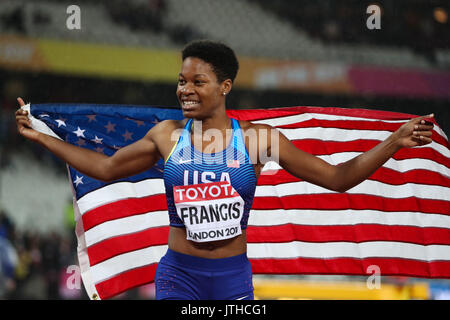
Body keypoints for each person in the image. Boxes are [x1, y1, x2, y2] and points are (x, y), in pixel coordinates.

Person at [15, 40, 434, 300]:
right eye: (181, 81)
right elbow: (106, 168)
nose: (185, 89)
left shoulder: (257, 139)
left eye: (197, 81)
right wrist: (44, 139)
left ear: (224, 87)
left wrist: (393, 142)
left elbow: (338, 179)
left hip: (233, 278)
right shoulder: (167, 136)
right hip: (179, 276)